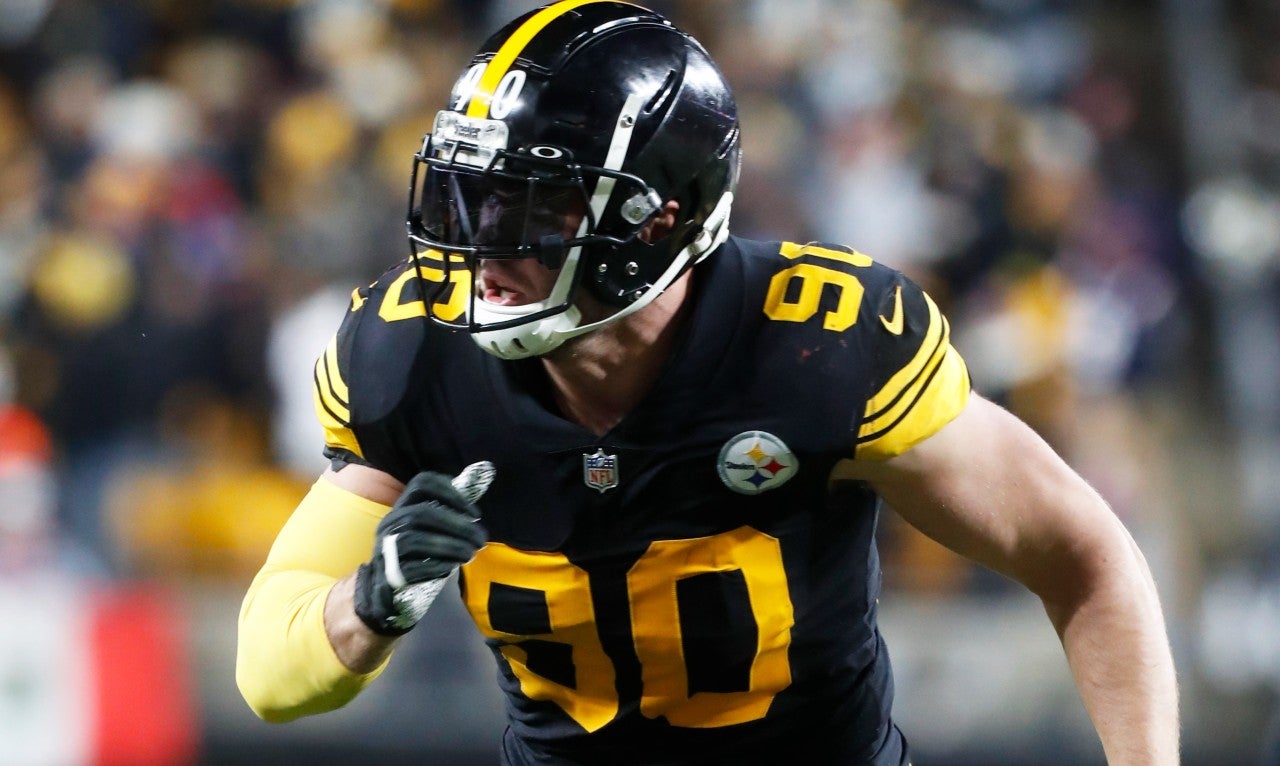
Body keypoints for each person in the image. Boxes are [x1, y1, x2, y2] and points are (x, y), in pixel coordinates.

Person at [236, 2, 1180, 764]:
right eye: (476, 196)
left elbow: (1085, 558)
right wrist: (367, 605)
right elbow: (268, 676)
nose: (484, 240)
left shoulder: (815, 345)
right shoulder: (414, 355)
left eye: (534, 203)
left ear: (661, 218)